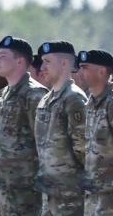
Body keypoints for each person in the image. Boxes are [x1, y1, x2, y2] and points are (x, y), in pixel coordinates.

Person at [0, 36, 48, 216]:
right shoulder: (4, 94)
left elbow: (43, 142)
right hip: (6, 186)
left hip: (26, 188)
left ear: (20, 61)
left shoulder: (34, 94)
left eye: (3, 56)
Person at [34, 41, 89, 216]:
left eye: (47, 62)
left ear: (64, 63)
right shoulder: (45, 99)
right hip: (49, 195)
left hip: (70, 196)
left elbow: (83, 150)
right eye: (42, 61)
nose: (42, 67)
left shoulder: (74, 99)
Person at [78, 49, 113, 215]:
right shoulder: (90, 103)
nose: (80, 72)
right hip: (94, 192)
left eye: (85, 67)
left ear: (102, 72)